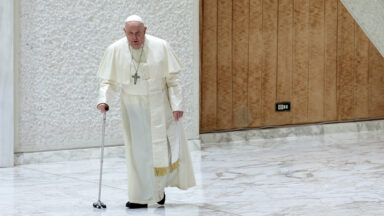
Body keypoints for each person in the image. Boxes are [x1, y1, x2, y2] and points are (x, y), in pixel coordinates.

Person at [96, 15, 196, 209]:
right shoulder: (115, 50)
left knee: (161, 151)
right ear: (124, 32)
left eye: (138, 33)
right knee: (138, 153)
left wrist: (177, 105)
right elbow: (109, 82)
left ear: (145, 30)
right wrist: (103, 101)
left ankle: (158, 192)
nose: (135, 38)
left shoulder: (161, 46)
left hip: (160, 105)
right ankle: (139, 196)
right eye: (130, 33)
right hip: (133, 109)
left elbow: (173, 80)